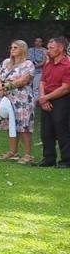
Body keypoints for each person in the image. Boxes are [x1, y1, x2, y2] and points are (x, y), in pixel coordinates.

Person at [0, 40, 37, 163]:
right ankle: (13, 151)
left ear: (23, 49)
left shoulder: (28, 64)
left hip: (22, 98)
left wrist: (4, 87)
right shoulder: (6, 62)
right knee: (11, 124)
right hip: (7, 98)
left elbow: (24, 80)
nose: (12, 49)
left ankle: (28, 154)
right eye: (11, 47)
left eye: (16, 47)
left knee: (24, 125)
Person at [36, 37, 70, 167]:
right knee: (46, 130)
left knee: (62, 130)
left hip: (61, 99)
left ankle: (66, 160)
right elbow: (42, 82)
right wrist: (43, 98)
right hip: (47, 98)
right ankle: (48, 158)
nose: (48, 51)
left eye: (51, 48)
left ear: (61, 48)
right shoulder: (48, 64)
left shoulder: (67, 65)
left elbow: (66, 87)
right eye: (48, 48)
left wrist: (46, 98)